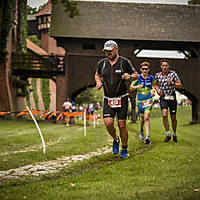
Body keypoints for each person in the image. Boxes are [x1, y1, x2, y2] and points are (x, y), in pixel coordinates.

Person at [95, 40, 138, 158]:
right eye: (106, 51)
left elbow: (136, 74)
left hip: (122, 98)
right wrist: (98, 82)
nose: (108, 53)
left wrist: (129, 77)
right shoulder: (102, 63)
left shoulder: (124, 62)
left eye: (110, 51)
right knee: (108, 123)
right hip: (108, 98)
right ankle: (115, 139)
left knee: (122, 124)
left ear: (116, 49)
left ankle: (124, 148)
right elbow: (97, 74)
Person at [154, 59, 182, 142]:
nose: (165, 67)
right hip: (163, 98)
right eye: (163, 65)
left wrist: (173, 83)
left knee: (173, 117)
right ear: (161, 67)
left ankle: (174, 133)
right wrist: (158, 91)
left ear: (168, 66)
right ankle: (168, 134)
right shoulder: (158, 75)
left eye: (166, 65)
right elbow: (155, 84)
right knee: (164, 114)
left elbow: (180, 85)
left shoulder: (173, 74)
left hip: (172, 98)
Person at [130, 62, 155, 144]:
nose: (144, 70)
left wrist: (153, 91)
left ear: (149, 70)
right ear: (141, 70)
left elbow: (153, 86)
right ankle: (141, 129)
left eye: (146, 69)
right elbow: (131, 88)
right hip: (140, 100)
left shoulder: (151, 77)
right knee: (142, 119)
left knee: (147, 117)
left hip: (148, 99)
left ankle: (147, 136)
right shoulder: (138, 78)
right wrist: (137, 87)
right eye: (143, 69)